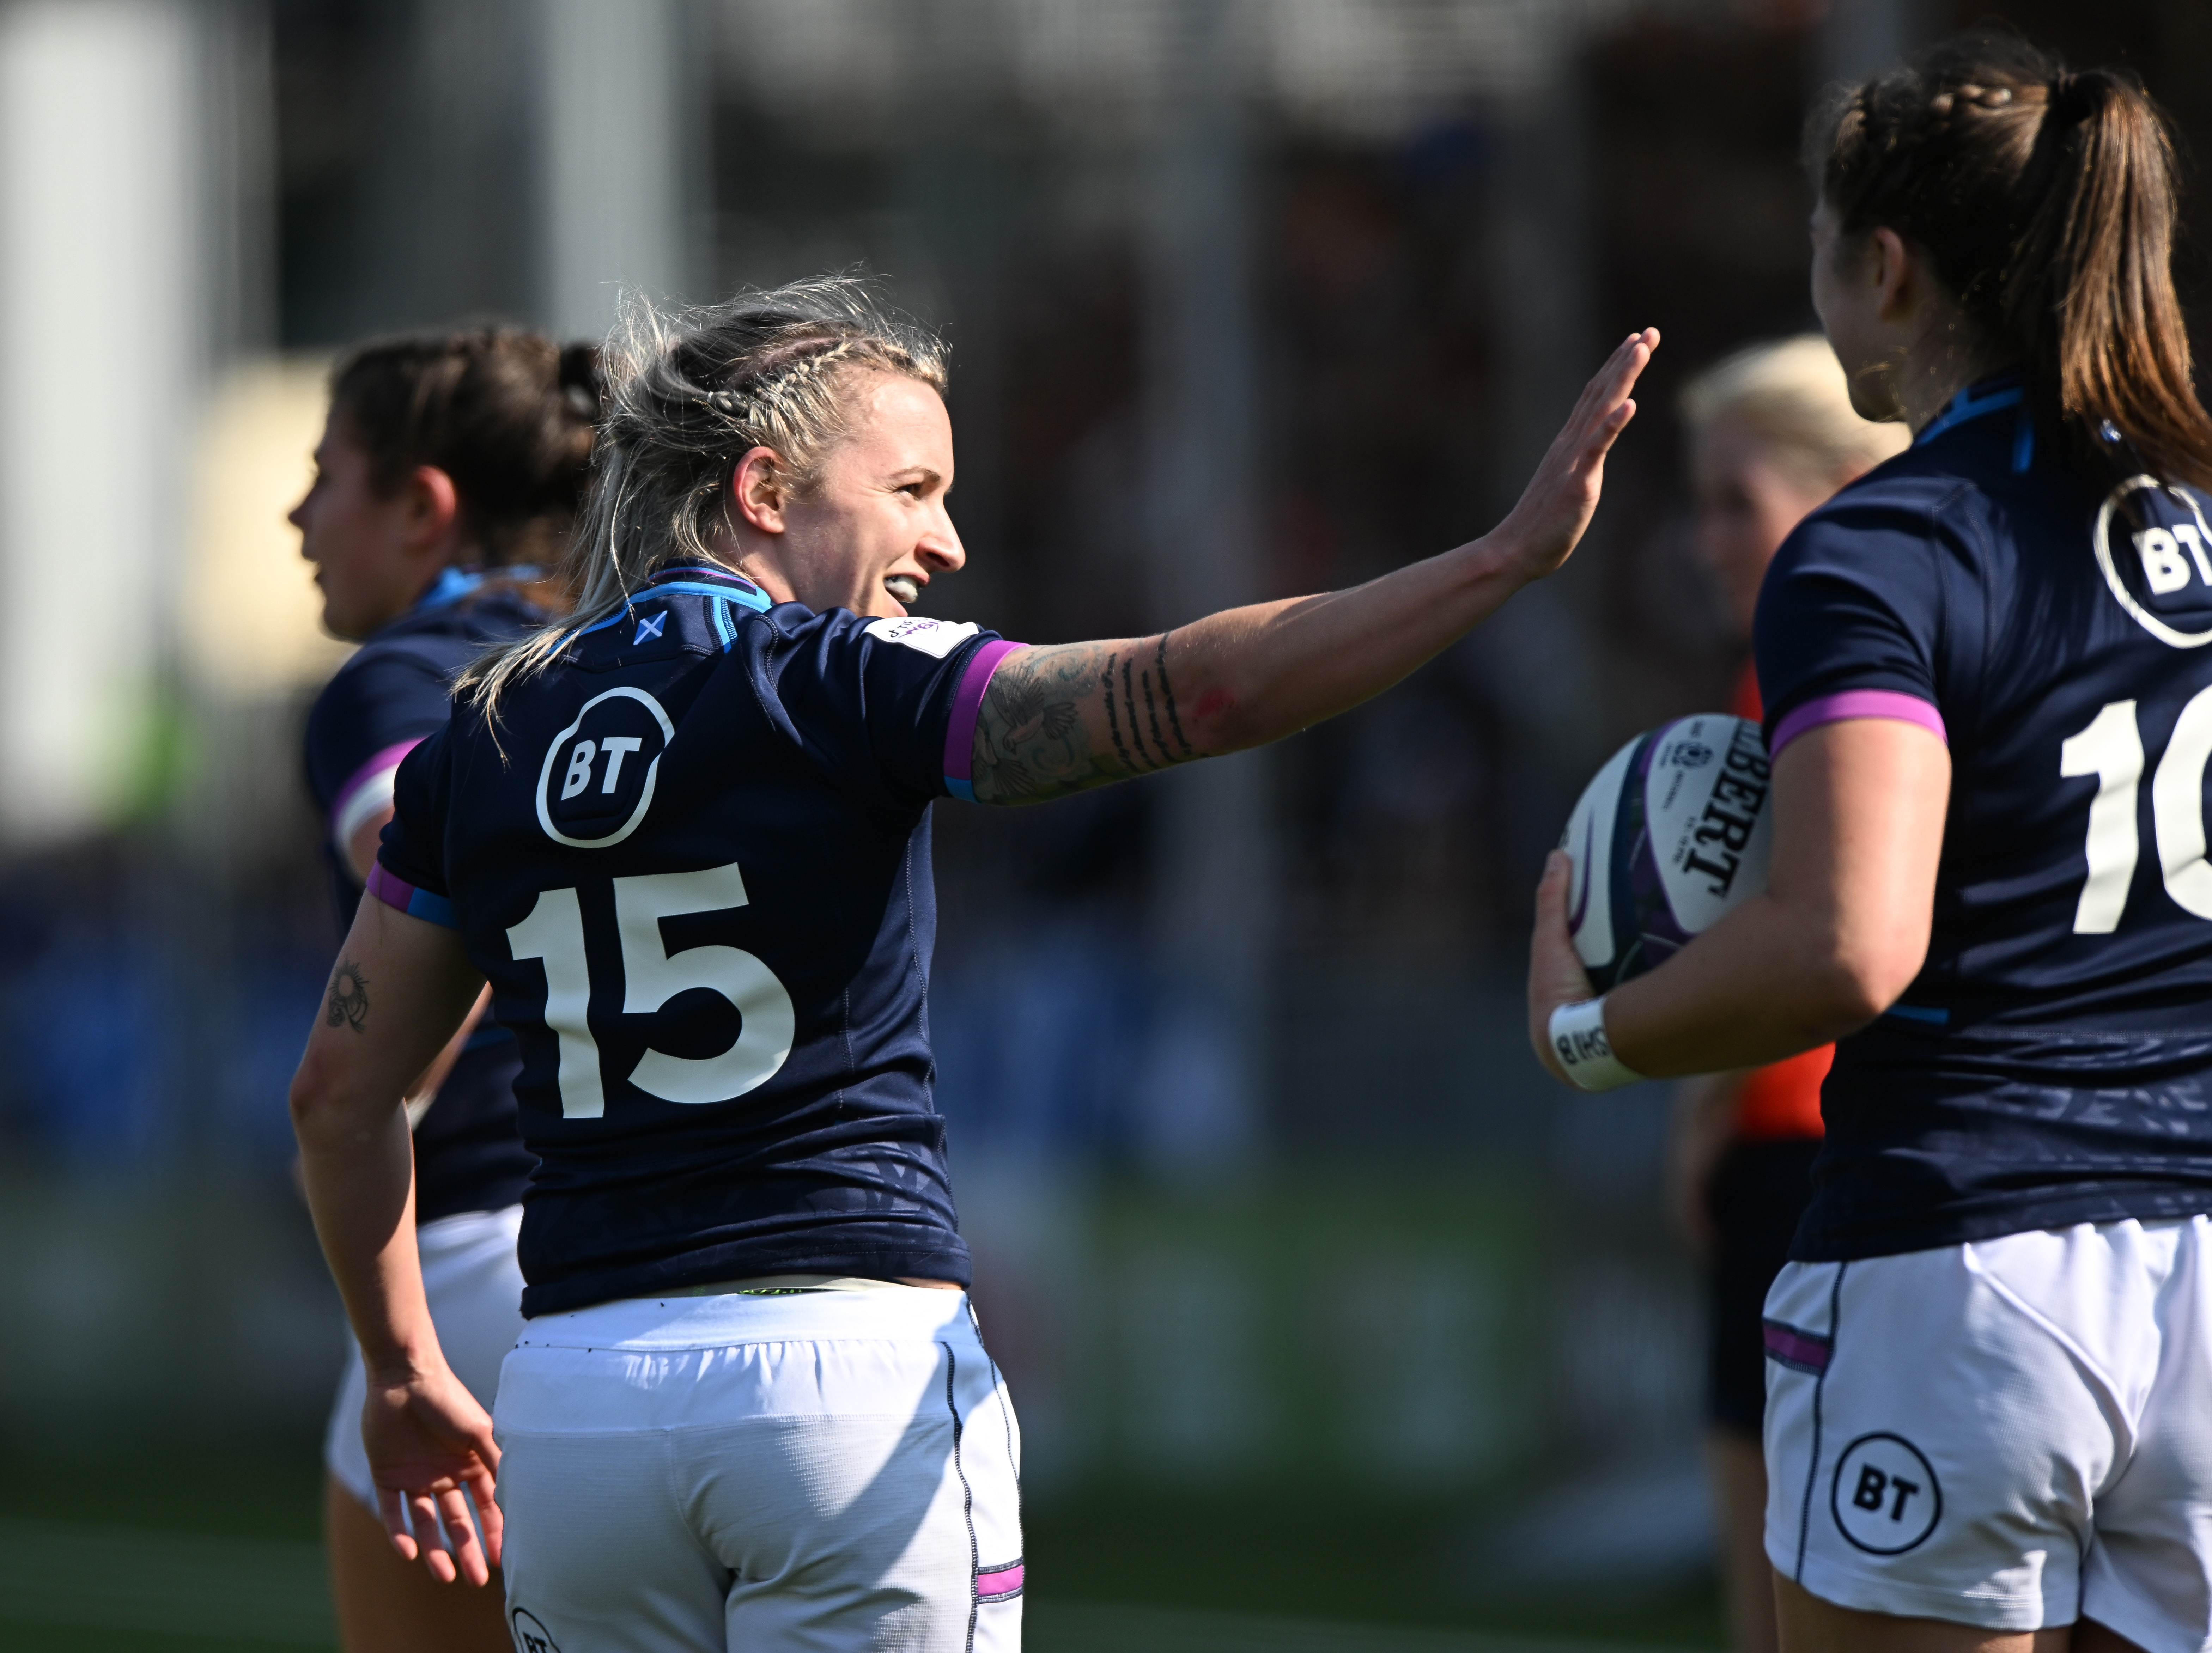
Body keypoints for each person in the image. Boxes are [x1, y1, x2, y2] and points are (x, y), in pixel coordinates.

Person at [285, 275, 1656, 1653]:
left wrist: (403, 1368)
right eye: (913, 487)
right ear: (765, 487)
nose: (943, 541)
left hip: (576, 1396)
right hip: (838, 1372)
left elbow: (340, 1094)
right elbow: (1200, 690)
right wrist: (1493, 561)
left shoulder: (489, 729)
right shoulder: (833, 680)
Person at [1530, 32, 2212, 1653]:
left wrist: (1583, 1033)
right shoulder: (2194, 517)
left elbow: (1847, 941)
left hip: (1968, 1267)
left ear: (1882, 268)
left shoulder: (1884, 546)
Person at [293, 328, 596, 1653]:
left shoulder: (402, 682)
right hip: (693, 1255)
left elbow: (429, 882)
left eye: (327, 476)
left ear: (422, 508)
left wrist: (379, 1100)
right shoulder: (637, 663)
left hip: (480, 1270)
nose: (299, 516)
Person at [1670, 337, 1906, 1653]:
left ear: (1845, 487)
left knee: (1777, 1612)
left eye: (1734, 503)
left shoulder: (1814, 670)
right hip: (1879, 1173)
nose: (1706, 541)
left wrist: (1692, 1111)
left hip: (1796, 1171)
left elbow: (1808, 942)